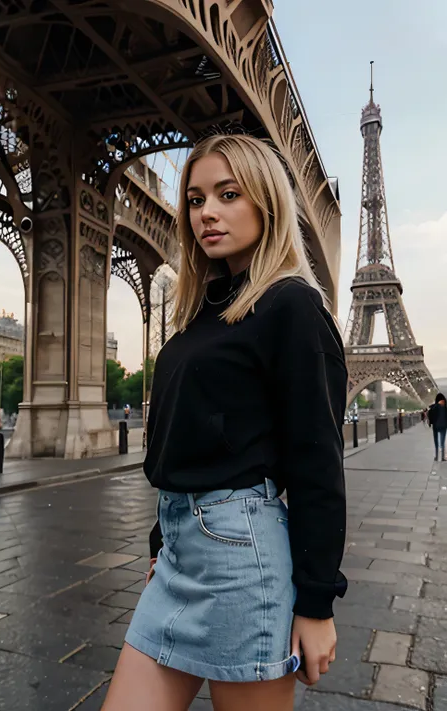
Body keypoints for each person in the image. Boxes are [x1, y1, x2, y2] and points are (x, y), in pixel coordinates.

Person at [101, 133, 348, 711]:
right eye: (194, 199)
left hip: (241, 558)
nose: (206, 212)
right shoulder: (205, 310)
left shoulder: (291, 305)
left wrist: (316, 604)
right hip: (180, 552)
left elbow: (317, 462)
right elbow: (189, 437)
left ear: (267, 200)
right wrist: (165, 539)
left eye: (228, 194)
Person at [428, 393, 447, 461]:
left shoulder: (434, 407)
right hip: (444, 426)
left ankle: (436, 456)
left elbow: (430, 415)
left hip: (435, 426)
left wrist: (430, 423)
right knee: (442, 442)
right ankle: (442, 457)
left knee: (436, 442)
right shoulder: (445, 407)